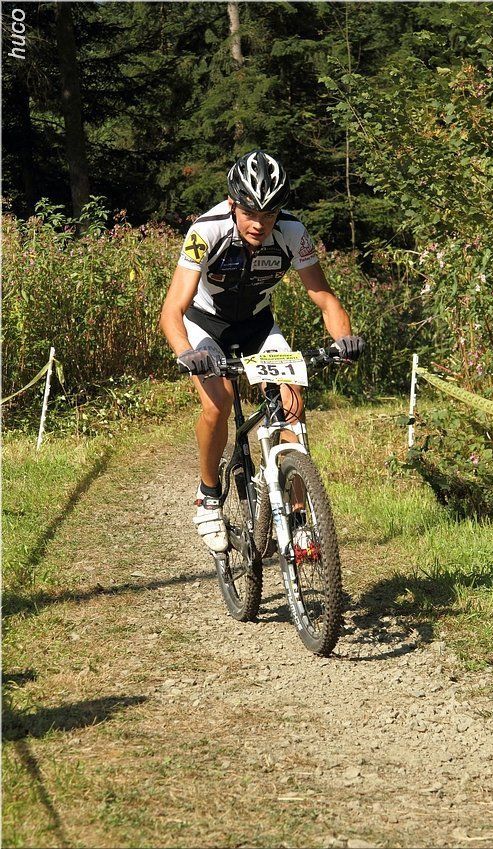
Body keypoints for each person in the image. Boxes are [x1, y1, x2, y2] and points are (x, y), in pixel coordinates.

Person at [160, 150, 364, 553]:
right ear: (232, 204)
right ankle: (208, 496)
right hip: (204, 324)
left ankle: (299, 518)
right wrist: (186, 352)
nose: (259, 224)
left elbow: (324, 297)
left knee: (291, 402)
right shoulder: (206, 231)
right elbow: (172, 310)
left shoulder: (292, 232)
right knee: (218, 401)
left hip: (257, 325)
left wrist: (345, 339)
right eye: (250, 213)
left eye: (268, 214)